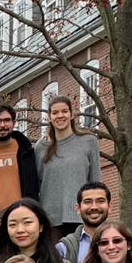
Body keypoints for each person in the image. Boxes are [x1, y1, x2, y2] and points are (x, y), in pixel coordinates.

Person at [35, 96, 101, 228]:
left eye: (64, 111)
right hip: (50, 221)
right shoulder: (40, 147)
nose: (60, 116)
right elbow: (36, 185)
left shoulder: (89, 141)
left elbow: (96, 184)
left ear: (72, 114)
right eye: (55, 113)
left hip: (81, 218)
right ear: (49, 117)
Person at [57, 182, 117, 263]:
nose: (94, 207)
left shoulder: (127, 244)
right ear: (78, 208)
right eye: (87, 202)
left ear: (109, 206)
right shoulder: (63, 249)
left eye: (100, 201)